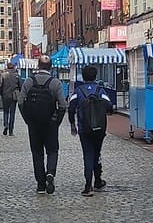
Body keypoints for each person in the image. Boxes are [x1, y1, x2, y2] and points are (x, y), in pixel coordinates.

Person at [18, 55, 66, 194]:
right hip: (50, 123)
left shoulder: (29, 81)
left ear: (38, 66)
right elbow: (63, 105)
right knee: (52, 150)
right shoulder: (55, 83)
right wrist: (57, 121)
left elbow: (20, 102)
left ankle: (40, 184)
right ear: (51, 67)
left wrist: (27, 118)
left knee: (37, 153)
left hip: (33, 123)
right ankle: (50, 172)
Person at [68, 65, 114, 197]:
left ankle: (88, 185)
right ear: (95, 77)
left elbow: (71, 108)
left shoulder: (78, 91)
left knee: (87, 154)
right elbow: (109, 107)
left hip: (84, 128)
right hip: (100, 129)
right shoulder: (100, 90)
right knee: (97, 152)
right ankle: (98, 180)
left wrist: (72, 124)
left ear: (83, 76)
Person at [0, 62, 20, 136]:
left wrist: (1, 93)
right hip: (14, 96)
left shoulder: (4, 75)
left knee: (6, 111)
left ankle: (6, 125)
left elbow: (0, 86)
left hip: (5, 95)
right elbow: (20, 86)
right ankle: (11, 130)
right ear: (13, 67)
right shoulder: (17, 75)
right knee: (12, 113)